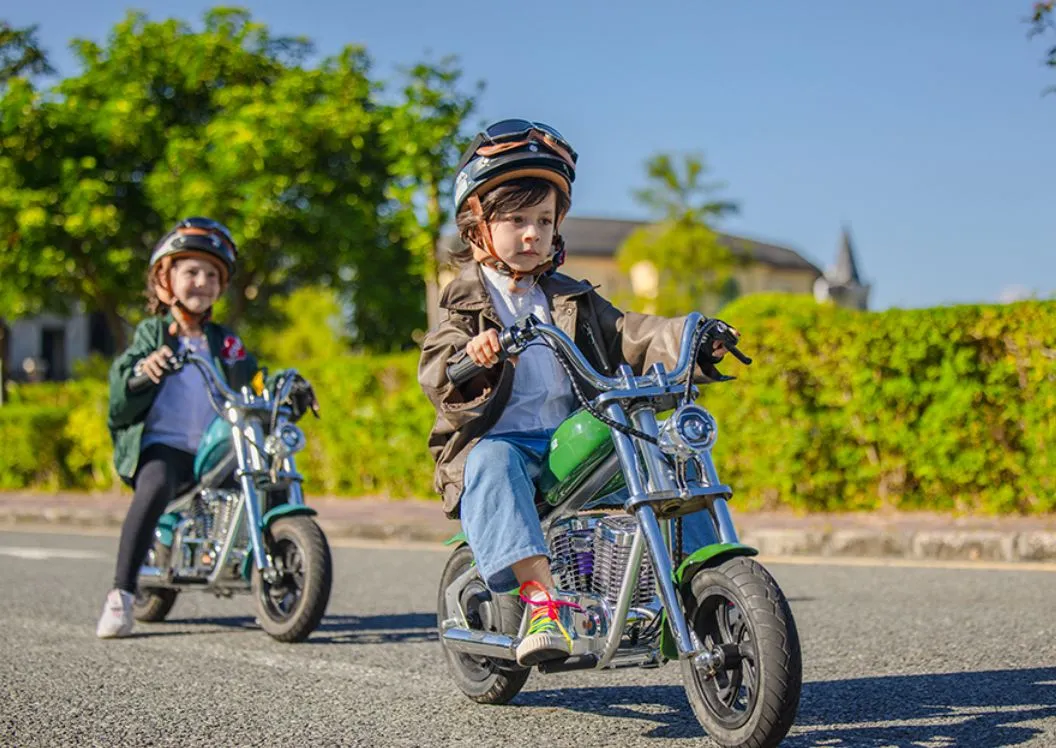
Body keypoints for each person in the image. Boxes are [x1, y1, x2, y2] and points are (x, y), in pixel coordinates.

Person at [418, 119, 735, 666]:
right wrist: (475, 356)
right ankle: (542, 603)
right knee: (492, 459)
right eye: (515, 219)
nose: (531, 234)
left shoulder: (572, 298)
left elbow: (630, 335)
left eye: (543, 220)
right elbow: (438, 368)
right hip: (503, 446)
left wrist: (694, 335)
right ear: (476, 230)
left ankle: (706, 576)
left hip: (571, 438)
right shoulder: (463, 304)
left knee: (661, 448)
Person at [96, 218, 260, 638]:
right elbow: (122, 388)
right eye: (191, 271)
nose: (202, 282)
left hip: (213, 449)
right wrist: (144, 371)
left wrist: (285, 388)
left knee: (261, 476)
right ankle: (121, 594)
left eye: (211, 274)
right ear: (165, 281)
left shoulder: (225, 342)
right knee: (153, 488)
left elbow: (252, 378)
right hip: (165, 447)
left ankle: (262, 566)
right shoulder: (153, 333)